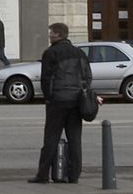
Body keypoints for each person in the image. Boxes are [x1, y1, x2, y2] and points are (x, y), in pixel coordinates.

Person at [32, 22, 91, 184]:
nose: (49, 35)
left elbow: (46, 79)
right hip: (76, 102)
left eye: (51, 32)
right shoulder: (79, 53)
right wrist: (82, 94)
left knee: (51, 138)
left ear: (58, 35)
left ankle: (43, 174)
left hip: (57, 102)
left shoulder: (51, 53)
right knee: (75, 140)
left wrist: (49, 97)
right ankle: (74, 175)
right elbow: (87, 77)